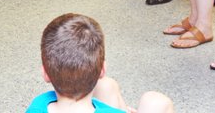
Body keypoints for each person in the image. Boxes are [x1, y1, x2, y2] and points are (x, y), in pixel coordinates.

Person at [27, 13, 174, 113]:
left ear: (45, 73)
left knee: (107, 85)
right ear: (103, 69)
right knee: (155, 101)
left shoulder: (38, 104)